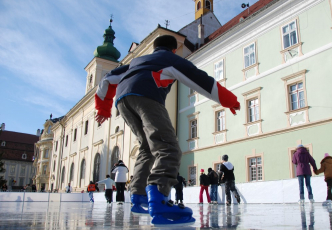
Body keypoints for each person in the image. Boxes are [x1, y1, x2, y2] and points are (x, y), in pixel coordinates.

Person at [95, 35, 240, 224]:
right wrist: (229, 100)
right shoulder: (171, 59)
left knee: (146, 148)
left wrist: (103, 108)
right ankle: (159, 200)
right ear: (174, 50)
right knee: (168, 148)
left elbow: (107, 79)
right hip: (147, 96)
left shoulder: (136, 61)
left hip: (122, 101)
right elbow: (200, 79)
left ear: (154, 48)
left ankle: (138, 198)